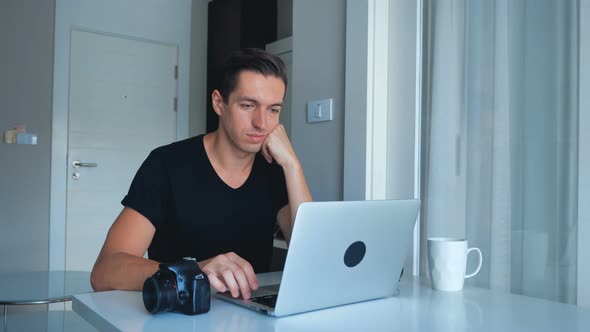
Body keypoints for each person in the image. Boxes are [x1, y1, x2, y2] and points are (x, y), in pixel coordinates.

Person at [90, 48, 312, 300]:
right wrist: (194, 271)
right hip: (181, 316)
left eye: (273, 110)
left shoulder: (275, 170)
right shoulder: (166, 164)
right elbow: (103, 273)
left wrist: (293, 165)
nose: (262, 123)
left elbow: (313, 260)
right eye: (248, 105)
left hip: (253, 316)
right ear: (219, 103)